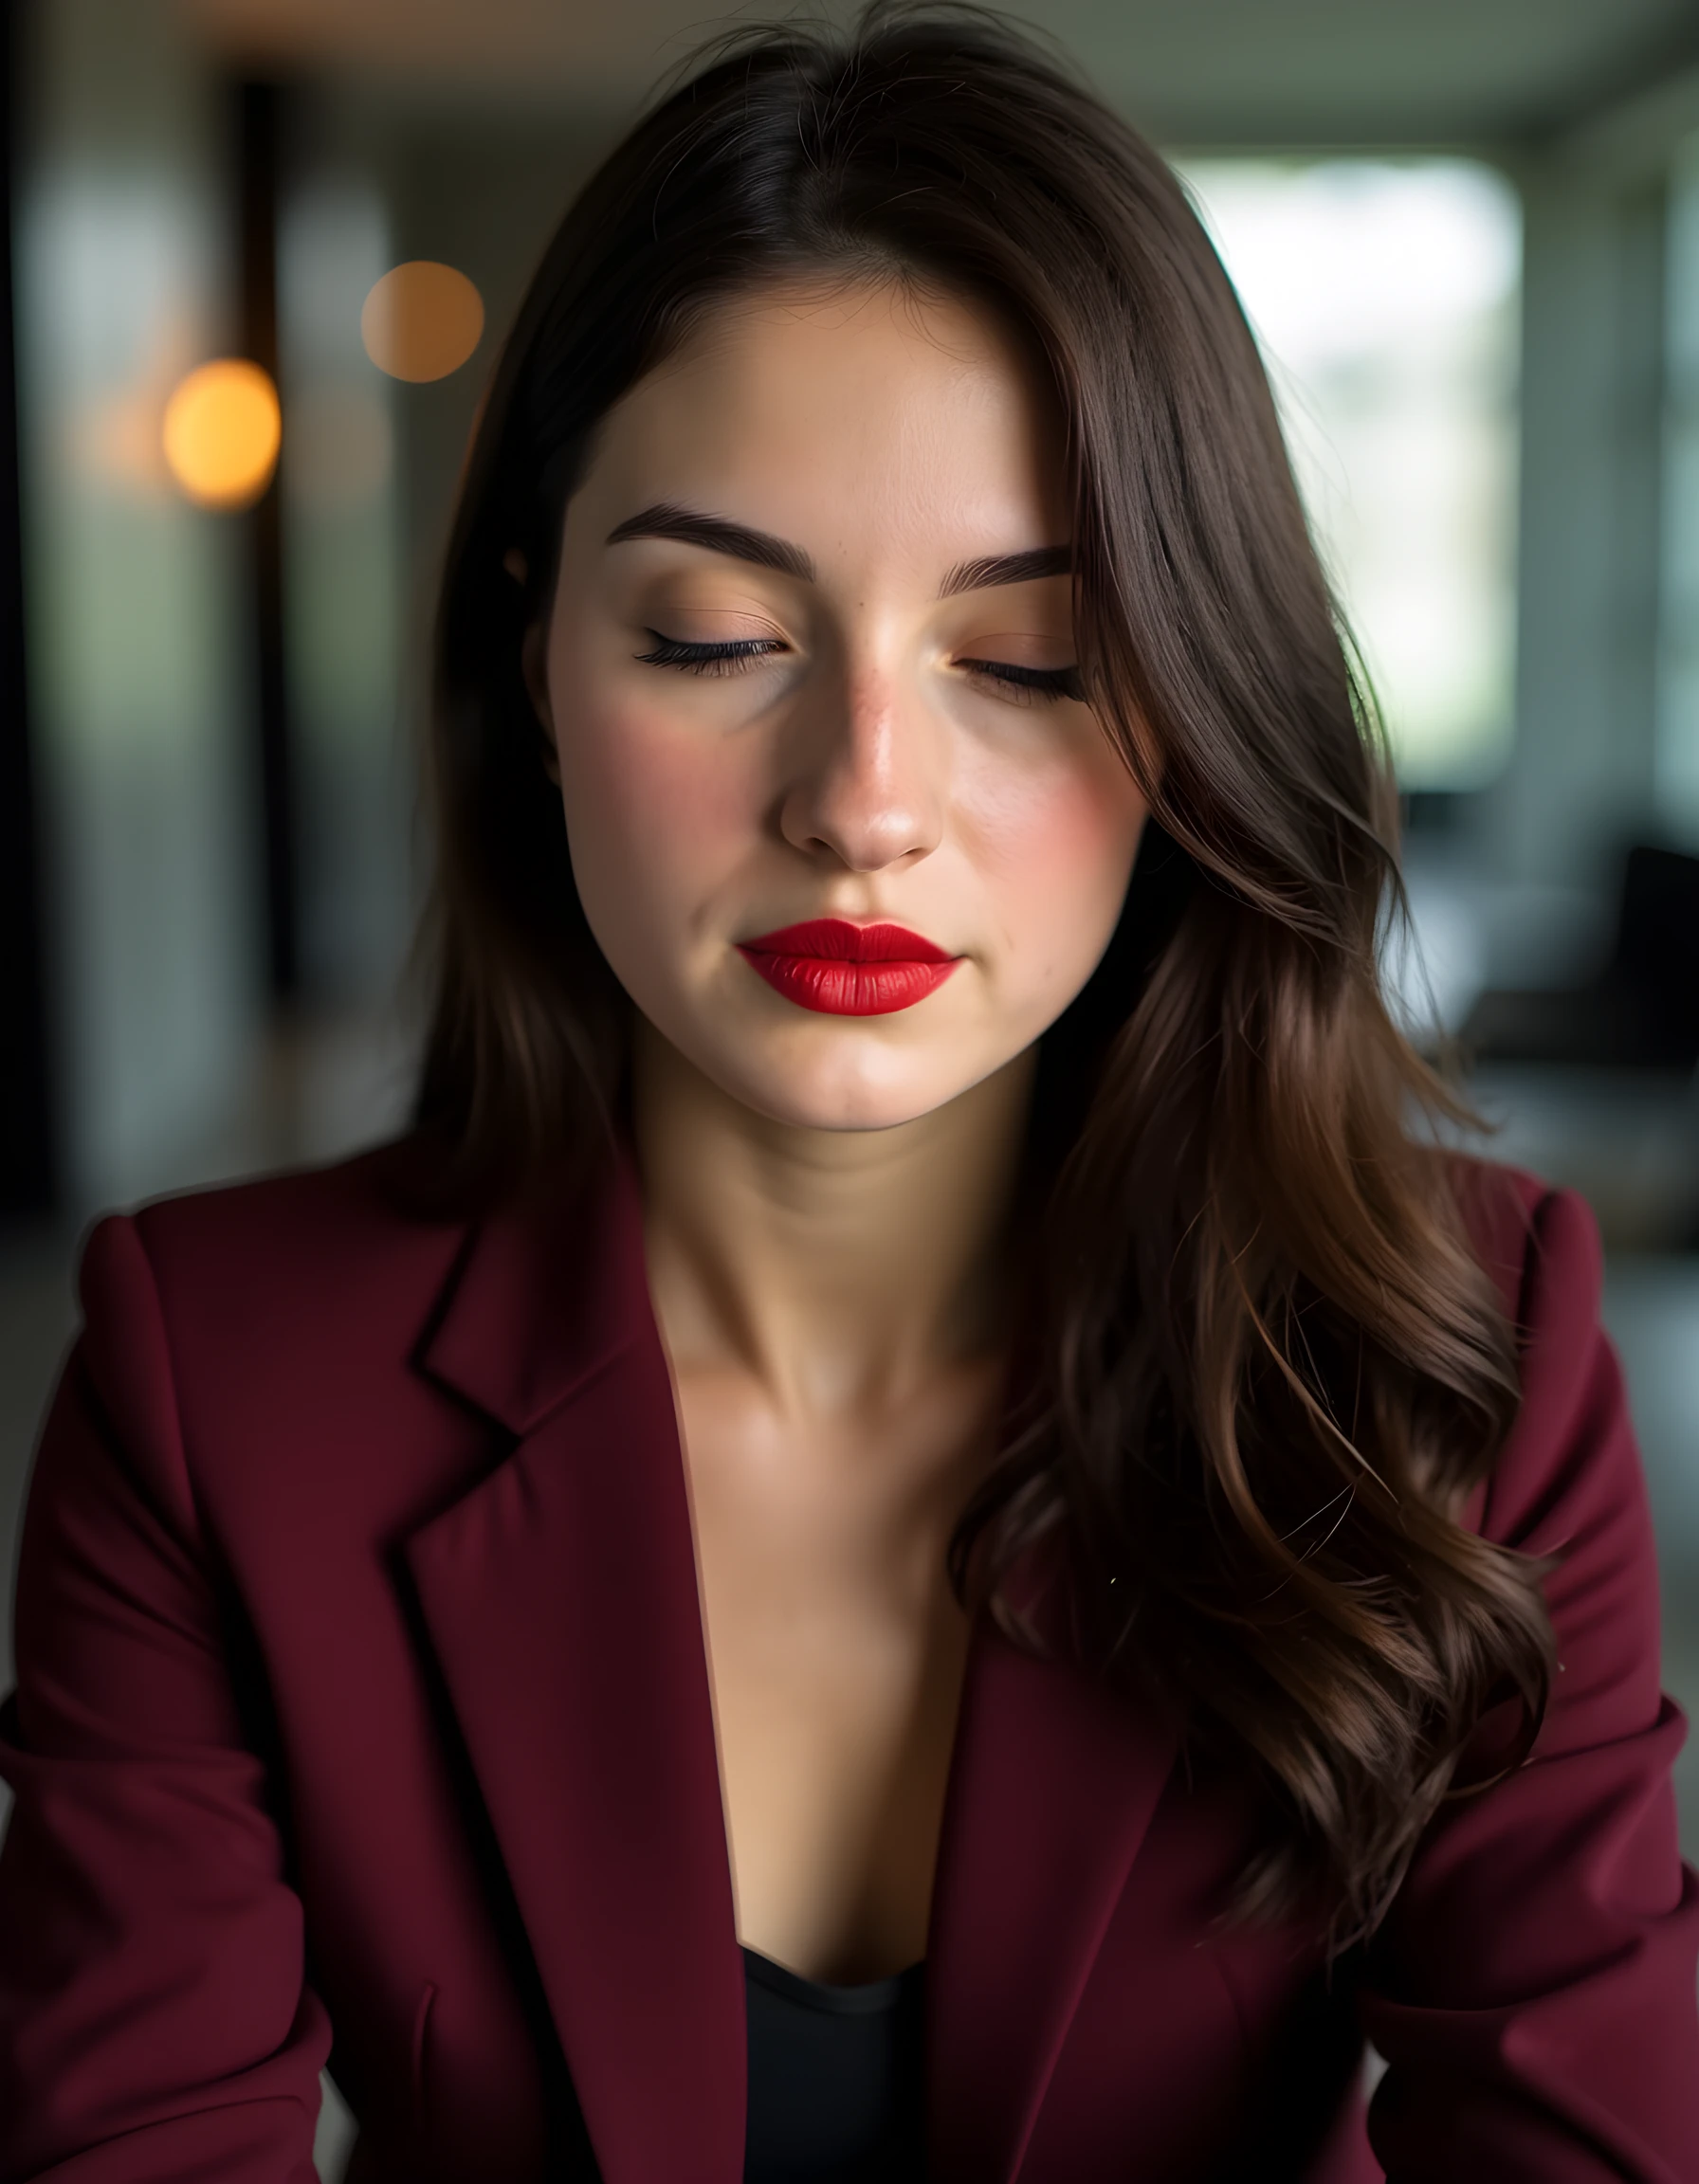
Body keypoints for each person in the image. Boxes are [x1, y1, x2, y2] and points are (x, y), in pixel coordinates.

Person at [2, 7, 1696, 2179]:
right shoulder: (213, 1384)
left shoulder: (1454, 1355)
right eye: (715, 637)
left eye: (1023, 661)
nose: (861, 805)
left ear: (1186, 708)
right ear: (534, 661)